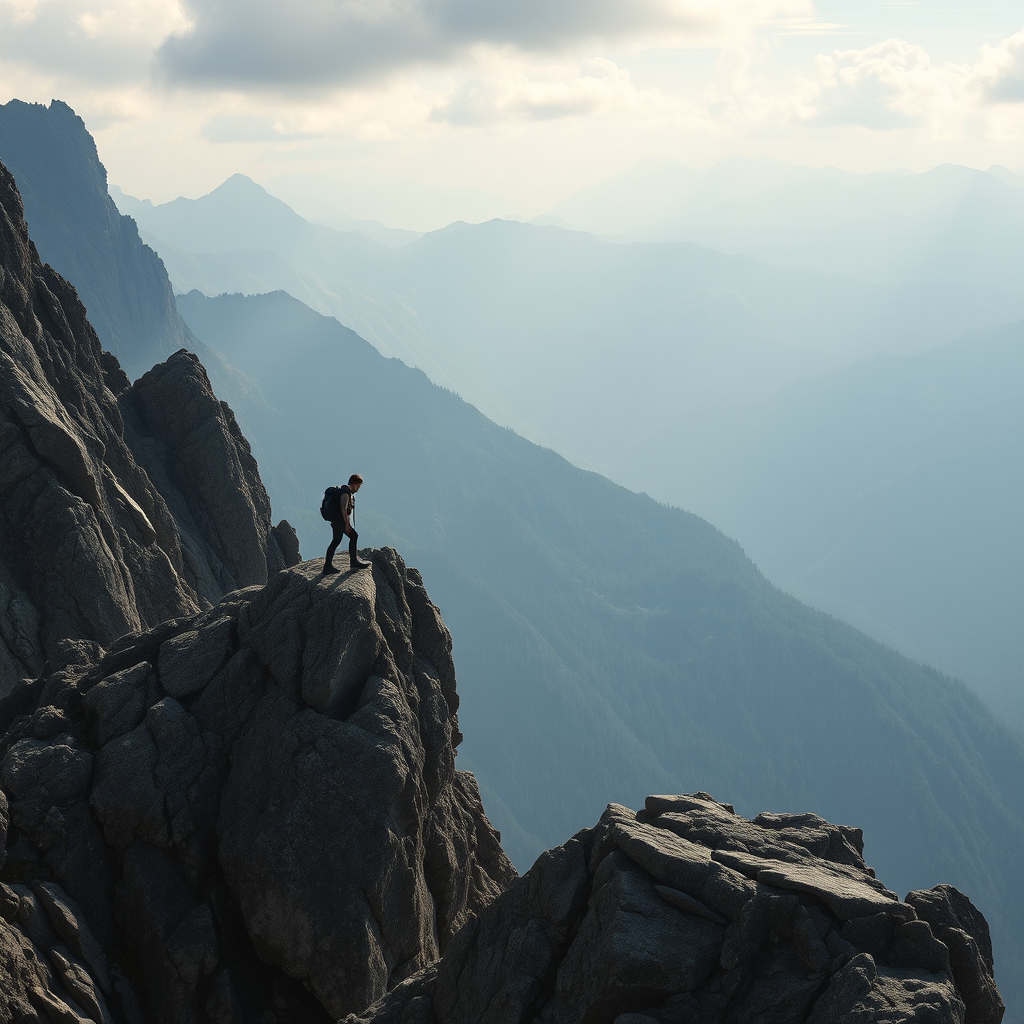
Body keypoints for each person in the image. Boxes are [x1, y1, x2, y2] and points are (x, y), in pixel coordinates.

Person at [323, 474, 369, 574]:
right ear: (353, 483)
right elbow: (343, 509)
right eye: (358, 485)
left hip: (336, 521)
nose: (358, 488)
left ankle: (328, 566)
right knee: (351, 537)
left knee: (336, 541)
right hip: (340, 522)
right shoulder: (345, 493)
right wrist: (347, 525)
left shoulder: (343, 492)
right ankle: (352, 562)